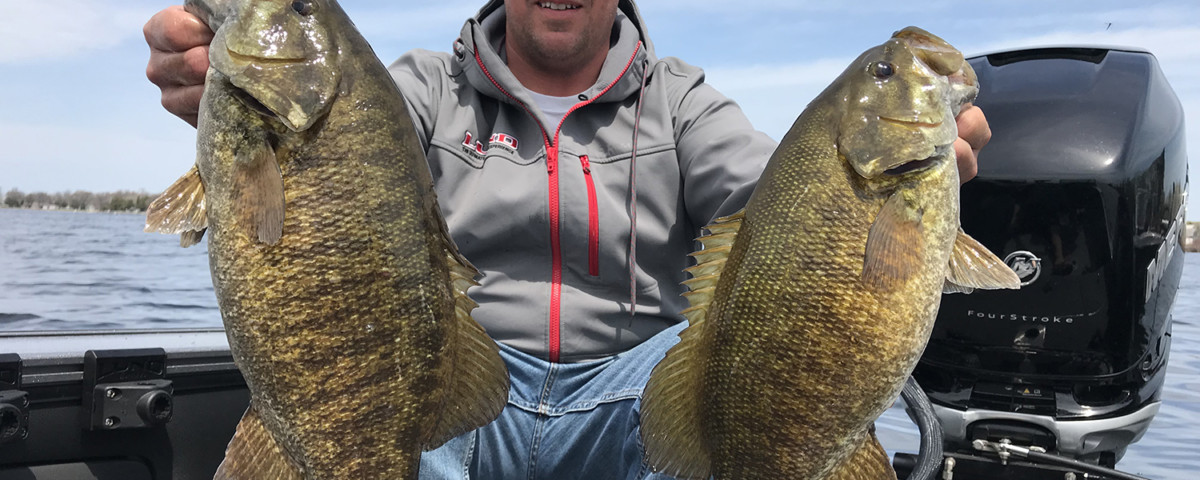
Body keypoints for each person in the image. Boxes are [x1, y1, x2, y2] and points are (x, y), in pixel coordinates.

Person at [144, 1, 991, 479]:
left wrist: (871, 193)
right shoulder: (419, 88)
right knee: (382, 421)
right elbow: (338, 162)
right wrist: (211, 95)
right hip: (464, 391)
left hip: (627, 400)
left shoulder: (684, 102)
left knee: (708, 412)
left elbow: (772, 197)